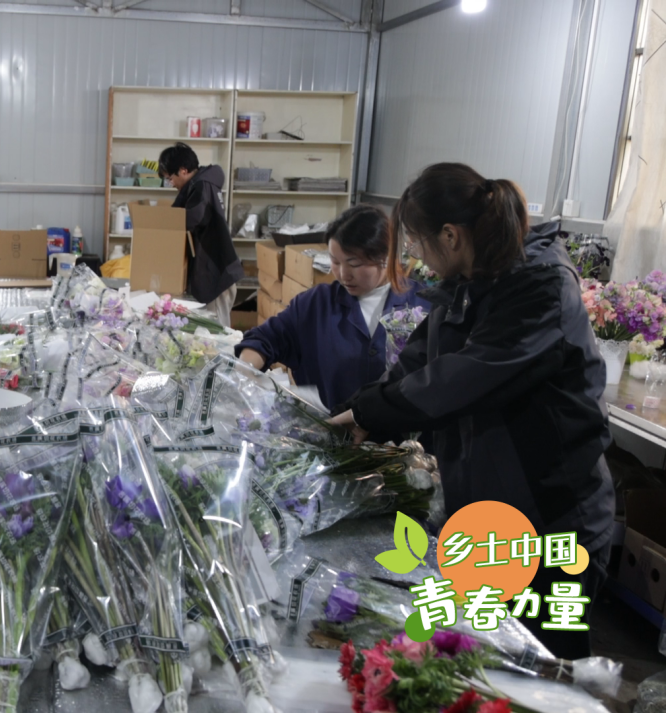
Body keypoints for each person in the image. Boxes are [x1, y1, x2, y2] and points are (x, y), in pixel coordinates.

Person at [329, 163, 614, 659]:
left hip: (550, 517)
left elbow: (459, 379)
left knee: (542, 666)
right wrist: (355, 411)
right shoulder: (472, 280)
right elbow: (418, 361)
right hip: (492, 512)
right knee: (490, 660)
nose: (414, 255)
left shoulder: (539, 287)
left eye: (416, 242)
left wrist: (376, 414)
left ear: (451, 235)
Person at [235, 204, 429, 411]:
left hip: (400, 440)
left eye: (354, 264)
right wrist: (244, 375)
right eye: (335, 262)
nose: (343, 274)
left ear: (386, 258)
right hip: (328, 435)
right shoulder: (315, 305)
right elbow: (263, 340)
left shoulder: (423, 305)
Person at [158, 143, 243, 328]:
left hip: (218, 273)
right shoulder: (199, 185)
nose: (170, 183)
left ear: (183, 170)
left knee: (218, 335)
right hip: (213, 271)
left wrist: (161, 226)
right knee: (208, 332)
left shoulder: (202, 186)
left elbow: (188, 219)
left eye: (170, 178)